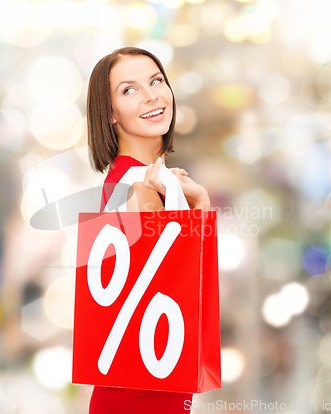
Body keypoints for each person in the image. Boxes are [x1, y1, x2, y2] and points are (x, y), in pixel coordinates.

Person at [86, 46, 210, 414]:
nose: (151, 95)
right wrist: (199, 204)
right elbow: (187, 304)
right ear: (109, 113)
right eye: (129, 90)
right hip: (144, 393)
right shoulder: (143, 187)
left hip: (135, 385)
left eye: (156, 81)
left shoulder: (122, 180)